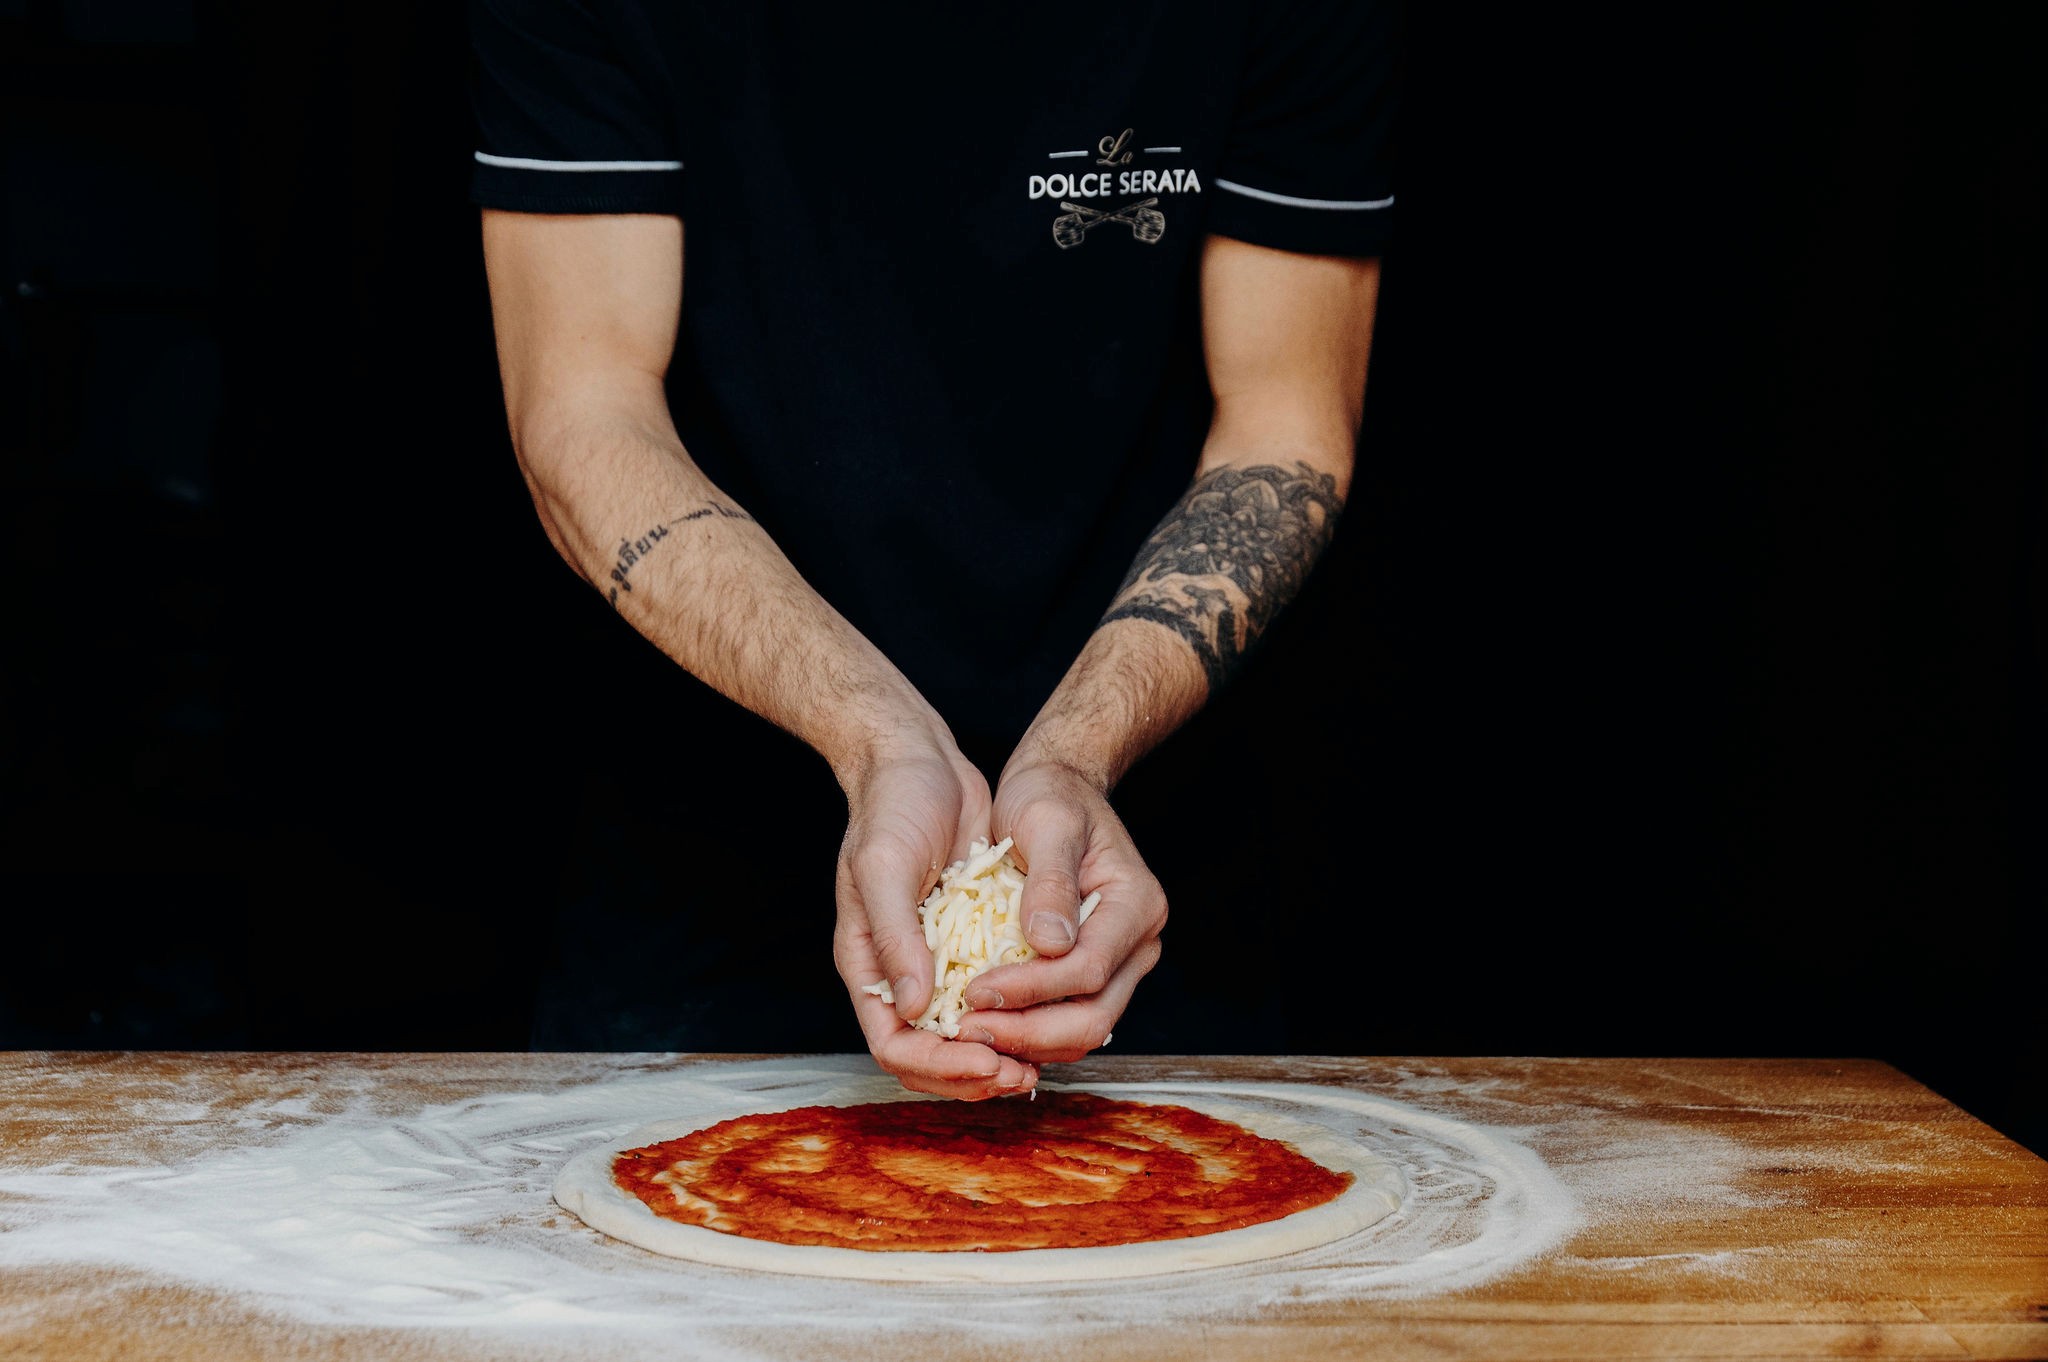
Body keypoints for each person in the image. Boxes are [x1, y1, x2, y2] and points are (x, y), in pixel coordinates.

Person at [468, 1, 1394, 1099]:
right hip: (703, 883)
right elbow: (582, 414)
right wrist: (871, 734)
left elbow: (1283, 430)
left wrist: (1077, 752)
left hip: (1121, 879)